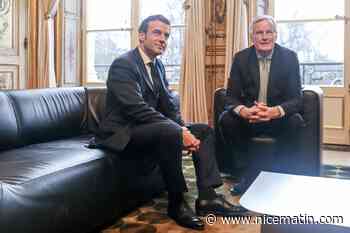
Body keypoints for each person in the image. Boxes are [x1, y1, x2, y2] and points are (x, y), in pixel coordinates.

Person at [94, 15, 246, 230]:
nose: (163, 39)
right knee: (169, 132)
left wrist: (183, 128)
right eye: (157, 32)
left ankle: (207, 197)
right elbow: (136, 108)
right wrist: (178, 132)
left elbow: (168, 106)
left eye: (166, 35)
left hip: (149, 128)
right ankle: (176, 203)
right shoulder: (123, 64)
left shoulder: (158, 66)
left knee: (203, 130)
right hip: (122, 132)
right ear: (141, 36)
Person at [219, 15, 304, 196]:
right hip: (251, 118)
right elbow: (230, 97)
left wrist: (275, 111)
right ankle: (246, 175)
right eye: (259, 33)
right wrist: (244, 111)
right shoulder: (241, 58)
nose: (264, 37)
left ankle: (280, 175)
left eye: (269, 32)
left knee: (295, 121)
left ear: (275, 35)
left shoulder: (289, 58)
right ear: (252, 37)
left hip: (276, 119)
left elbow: (296, 98)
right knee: (226, 119)